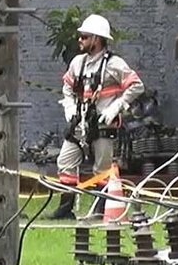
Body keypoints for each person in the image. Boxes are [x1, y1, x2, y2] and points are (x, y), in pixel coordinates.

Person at [49, 14, 145, 220]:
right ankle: (66, 209)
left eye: (84, 37)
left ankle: (101, 209)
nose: (80, 41)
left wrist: (117, 106)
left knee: (101, 169)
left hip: (103, 125)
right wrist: (69, 107)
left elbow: (137, 86)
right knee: (65, 162)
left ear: (96, 39)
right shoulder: (77, 63)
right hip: (79, 123)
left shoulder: (115, 64)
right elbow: (67, 86)